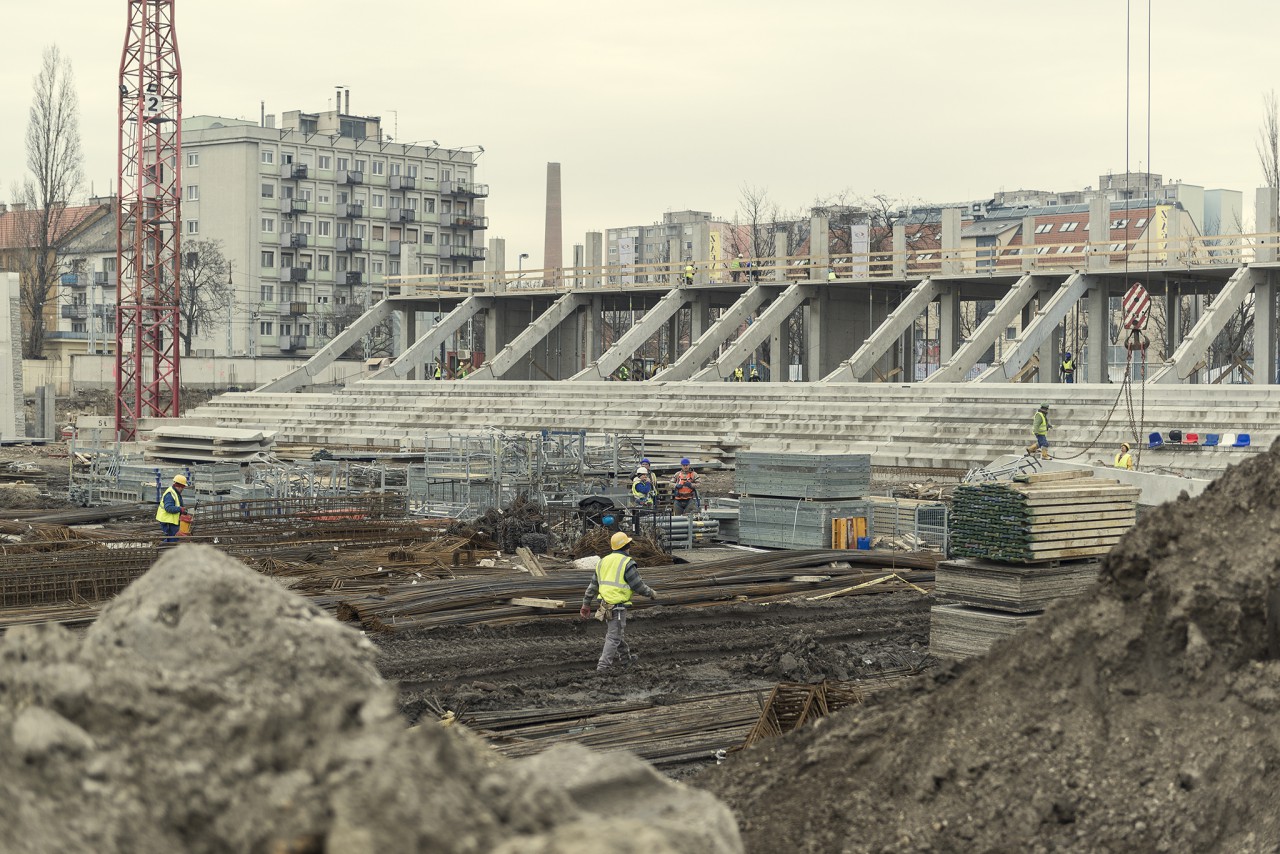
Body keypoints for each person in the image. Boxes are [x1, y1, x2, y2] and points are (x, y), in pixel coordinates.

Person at [579, 531, 658, 672]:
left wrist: (586, 604)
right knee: (614, 637)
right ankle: (603, 667)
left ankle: (626, 659)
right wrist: (651, 593)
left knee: (616, 633)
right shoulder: (627, 563)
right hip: (617, 607)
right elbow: (638, 586)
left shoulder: (603, 562)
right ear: (627, 546)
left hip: (605, 606)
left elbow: (592, 586)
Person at [156, 474, 188, 544]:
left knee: (172, 539)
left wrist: (183, 511)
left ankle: (161, 550)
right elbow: (168, 508)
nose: (183, 489)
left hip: (172, 521)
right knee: (172, 540)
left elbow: (178, 505)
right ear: (179, 486)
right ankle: (160, 550)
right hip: (168, 521)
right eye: (183, 487)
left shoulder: (176, 493)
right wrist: (180, 509)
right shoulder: (170, 494)